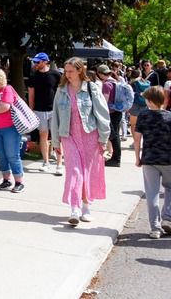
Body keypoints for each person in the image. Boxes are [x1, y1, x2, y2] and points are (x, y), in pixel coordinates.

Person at [51, 57, 110, 224]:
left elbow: (103, 114)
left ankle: (86, 207)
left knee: (88, 172)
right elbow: (55, 117)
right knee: (75, 172)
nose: (67, 74)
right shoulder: (61, 90)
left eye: (71, 71)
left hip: (90, 134)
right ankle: (74, 209)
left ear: (79, 70)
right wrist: (56, 142)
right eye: (66, 71)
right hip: (68, 136)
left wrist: (103, 138)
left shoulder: (92, 88)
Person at [133, 86, 171, 239]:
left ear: (149, 100)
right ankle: (167, 218)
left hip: (149, 158)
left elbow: (137, 138)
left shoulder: (143, 115)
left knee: (152, 193)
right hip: (167, 158)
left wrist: (137, 158)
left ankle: (155, 227)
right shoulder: (170, 116)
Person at [0, 68, 25, 193]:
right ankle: (6, 179)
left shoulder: (7, 89)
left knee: (12, 155)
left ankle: (19, 181)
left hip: (10, 127)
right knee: (1, 155)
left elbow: (5, 107)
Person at [27, 52, 64, 175]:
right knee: (43, 136)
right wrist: (31, 111)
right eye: (35, 62)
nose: (35, 64)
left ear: (45, 62)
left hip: (54, 109)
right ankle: (46, 162)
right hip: (39, 109)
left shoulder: (56, 74)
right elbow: (31, 94)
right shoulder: (33, 76)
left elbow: (62, 91)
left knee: (57, 137)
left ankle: (59, 164)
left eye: (38, 62)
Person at [96, 64, 122, 167]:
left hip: (110, 112)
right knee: (116, 135)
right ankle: (116, 157)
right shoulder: (115, 82)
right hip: (118, 111)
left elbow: (104, 101)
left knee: (114, 136)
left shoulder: (107, 85)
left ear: (100, 74)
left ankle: (116, 159)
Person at [128, 69, 150, 138]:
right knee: (145, 125)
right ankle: (145, 141)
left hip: (135, 104)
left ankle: (136, 141)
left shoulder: (132, 83)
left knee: (133, 125)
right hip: (145, 104)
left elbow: (130, 96)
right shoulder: (146, 82)